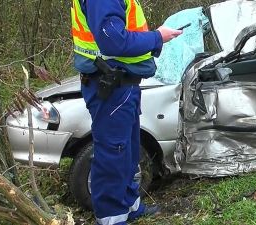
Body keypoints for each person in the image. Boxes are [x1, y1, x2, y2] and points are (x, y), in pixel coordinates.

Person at [70, 0, 182, 224]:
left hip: (122, 85)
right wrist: (157, 36)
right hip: (111, 86)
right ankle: (112, 218)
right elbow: (113, 41)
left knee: (128, 151)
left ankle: (130, 206)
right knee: (113, 152)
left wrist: (155, 38)